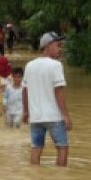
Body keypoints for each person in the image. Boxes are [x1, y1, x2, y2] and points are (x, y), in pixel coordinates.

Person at [22, 32, 72, 167]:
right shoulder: (56, 65)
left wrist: (25, 112)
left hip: (36, 117)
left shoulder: (29, 65)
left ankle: (35, 177)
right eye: (58, 45)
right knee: (62, 147)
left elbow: (25, 91)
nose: (60, 48)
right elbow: (59, 91)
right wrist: (66, 115)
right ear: (47, 46)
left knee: (36, 148)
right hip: (54, 116)